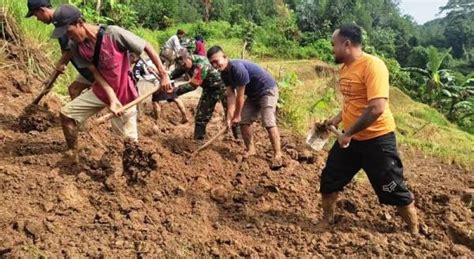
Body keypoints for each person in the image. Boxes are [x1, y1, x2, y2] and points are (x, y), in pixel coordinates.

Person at [315, 24, 419, 234]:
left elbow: (376, 108)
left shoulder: (373, 66)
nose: (332, 49)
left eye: (334, 45)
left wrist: (348, 133)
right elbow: (352, 103)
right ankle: (327, 219)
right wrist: (335, 121)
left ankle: (414, 230)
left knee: (392, 186)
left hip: (378, 141)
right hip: (351, 141)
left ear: (347, 44)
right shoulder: (344, 69)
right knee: (329, 180)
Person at [51, 6, 171, 159]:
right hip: (101, 91)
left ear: (79, 23)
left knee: (128, 144)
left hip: (125, 94)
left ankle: (132, 175)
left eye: (69, 31)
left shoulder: (113, 34)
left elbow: (146, 46)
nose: (69, 37)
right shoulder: (76, 46)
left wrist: (163, 74)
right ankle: (72, 154)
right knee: (66, 114)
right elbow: (96, 74)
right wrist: (112, 99)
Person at [207, 46, 282, 169]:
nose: (215, 65)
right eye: (212, 63)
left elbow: (240, 96)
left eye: (216, 61)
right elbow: (231, 96)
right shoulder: (224, 74)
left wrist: (237, 115)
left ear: (225, 57)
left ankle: (278, 155)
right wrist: (229, 117)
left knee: (268, 121)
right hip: (253, 95)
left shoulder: (237, 69)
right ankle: (251, 149)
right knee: (244, 121)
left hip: (267, 90)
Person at [26, 0, 92, 99]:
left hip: (93, 67)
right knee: (74, 90)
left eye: (36, 15)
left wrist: (51, 79)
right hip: (88, 65)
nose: (38, 19)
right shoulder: (62, 18)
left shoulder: (62, 23)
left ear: (42, 10)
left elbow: (68, 53)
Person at [171, 49, 241, 140]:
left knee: (231, 114)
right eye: (180, 65)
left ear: (189, 58)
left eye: (183, 64)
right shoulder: (184, 64)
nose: (183, 67)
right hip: (209, 89)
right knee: (201, 116)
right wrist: (165, 78)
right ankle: (198, 140)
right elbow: (175, 73)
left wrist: (174, 92)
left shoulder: (201, 64)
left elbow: (193, 85)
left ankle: (239, 139)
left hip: (222, 86)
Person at [132, 58, 188, 124]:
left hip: (159, 83)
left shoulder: (136, 68)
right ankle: (184, 116)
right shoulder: (150, 58)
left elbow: (136, 80)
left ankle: (158, 120)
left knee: (155, 101)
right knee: (176, 98)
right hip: (168, 80)